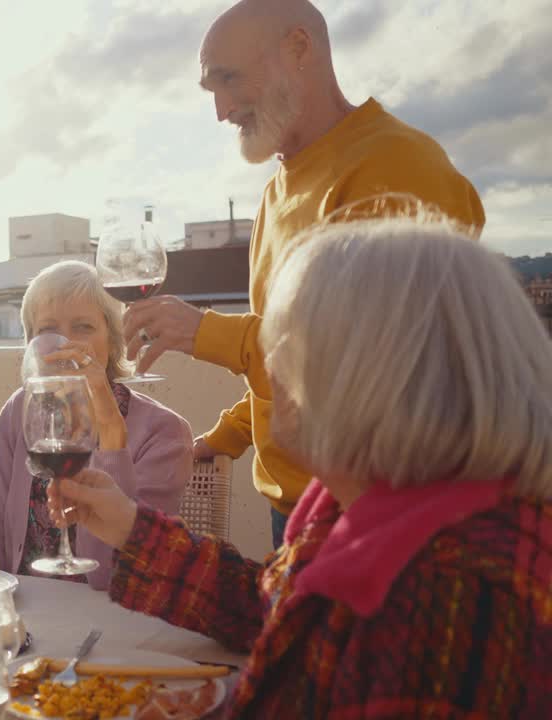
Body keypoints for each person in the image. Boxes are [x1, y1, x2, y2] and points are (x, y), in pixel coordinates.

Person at [51, 219, 552, 717]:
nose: (268, 362)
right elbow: (271, 610)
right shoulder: (384, 513)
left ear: (382, 373)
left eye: (289, 338)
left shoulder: (446, 608)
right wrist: (130, 527)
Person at [121, 0, 486, 547]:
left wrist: (203, 332)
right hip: (296, 512)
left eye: (229, 78)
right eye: (209, 89)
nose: (220, 111)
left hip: (379, 516)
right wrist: (228, 436)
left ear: (298, 49)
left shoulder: (397, 167)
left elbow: (362, 369)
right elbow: (287, 356)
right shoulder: (276, 191)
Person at [0, 261, 191, 591]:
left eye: (83, 327)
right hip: (25, 611)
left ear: (113, 341)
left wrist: (110, 435)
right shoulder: (20, 411)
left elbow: (117, 576)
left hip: (109, 618)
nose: (64, 344)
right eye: (48, 331)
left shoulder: (164, 433)